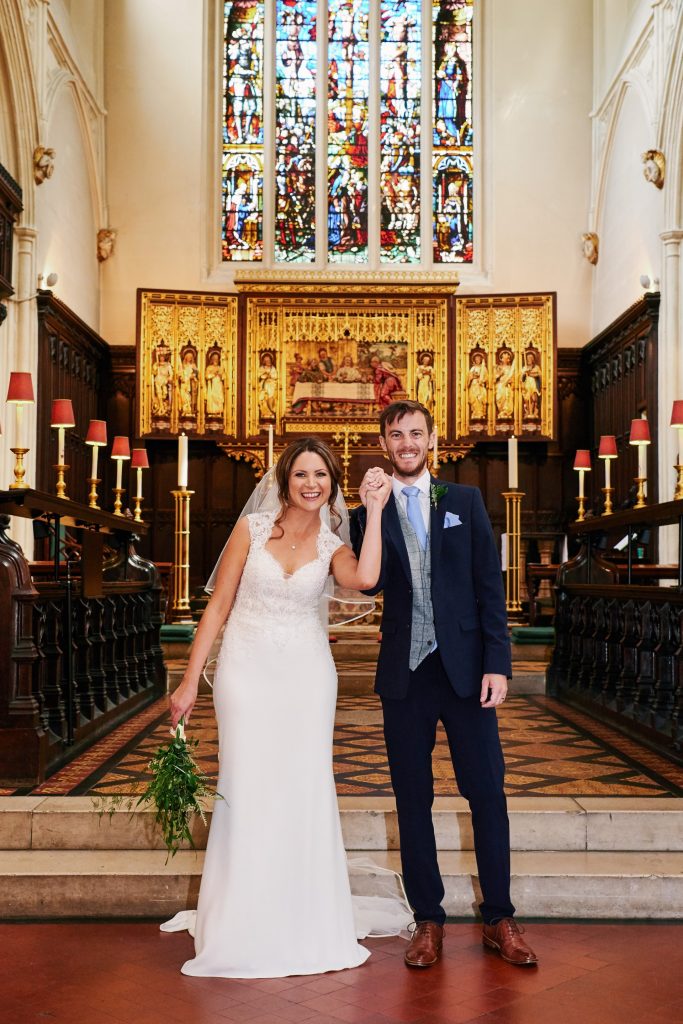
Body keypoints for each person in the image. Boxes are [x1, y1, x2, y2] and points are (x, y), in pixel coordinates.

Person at [167, 438, 396, 978]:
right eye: (301, 474)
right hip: (244, 672)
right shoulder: (251, 530)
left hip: (306, 678)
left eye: (321, 475)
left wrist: (376, 510)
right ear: (284, 480)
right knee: (246, 786)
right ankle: (240, 918)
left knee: (302, 787)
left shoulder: (333, 545)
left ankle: (303, 915)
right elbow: (218, 605)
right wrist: (189, 682)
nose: (311, 484)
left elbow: (366, 579)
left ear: (333, 484)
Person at [350, 400, 538, 970]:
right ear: (384, 443)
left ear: (432, 440)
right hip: (405, 673)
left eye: (416, 433)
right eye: (396, 434)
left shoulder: (464, 500)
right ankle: (428, 920)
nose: (406, 443)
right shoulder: (368, 509)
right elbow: (370, 585)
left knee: (487, 793)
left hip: (467, 669)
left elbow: (489, 587)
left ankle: (499, 917)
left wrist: (498, 664)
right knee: (413, 799)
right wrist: (374, 509)